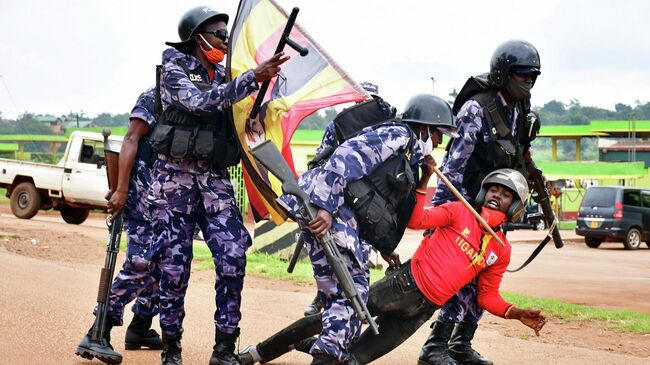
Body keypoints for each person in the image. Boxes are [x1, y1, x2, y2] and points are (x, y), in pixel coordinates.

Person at [240, 167, 546, 365]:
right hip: (403, 285)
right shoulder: (458, 211)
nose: (496, 196)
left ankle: (310, 346)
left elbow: (486, 297)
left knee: (353, 360)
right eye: (494, 189)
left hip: (422, 311)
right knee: (326, 319)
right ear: (484, 191)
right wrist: (425, 179)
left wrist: (517, 313)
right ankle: (257, 353)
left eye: (506, 195)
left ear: (516, 207)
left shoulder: (500, 250)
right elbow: (417, 220)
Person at [239, 94, 459, 365]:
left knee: (345, 297)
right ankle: (325, 359)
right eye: (438, 135)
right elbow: (346, 156)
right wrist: (326, 207)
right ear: (424, 127)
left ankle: (319, 355)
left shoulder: (408, 154)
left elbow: (374, 202)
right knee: (351, 297)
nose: (438, 142)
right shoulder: (399, 134)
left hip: (338, 214)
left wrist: (384, 249)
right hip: (329, 209)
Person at [147, 5, 288, 365]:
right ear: (198, 38)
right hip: (172, 188)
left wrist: (261, 103)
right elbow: (198, 103)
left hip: (215, 186)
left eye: (228, 35)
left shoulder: (228, 74)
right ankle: (171, 349)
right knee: (174, 271)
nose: (226, 42)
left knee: (233, 258)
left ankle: (224, 348)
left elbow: (244, 117)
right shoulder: (174, 68)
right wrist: (251, 78)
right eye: (220, 35)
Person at [423, 39, 542, 365]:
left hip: (498, 210)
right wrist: (441, 220)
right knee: (463, 279)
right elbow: (453, 167)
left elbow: (517, 149)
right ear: (505, 73)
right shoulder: (477, 109)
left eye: (533, 75)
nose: (528, 80)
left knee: (485, 278)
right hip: (468, 207)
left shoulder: (519, 107)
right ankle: (435, 347)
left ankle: (461, 344)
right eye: (522, 74)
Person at [75, 88, 161, 365]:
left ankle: (140, 327)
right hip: (143, 195)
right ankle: (98, 330)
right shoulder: (155, 96)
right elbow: (130, 139)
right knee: (142, 263)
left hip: (170, 197)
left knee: (165, 262)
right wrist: (121, 190)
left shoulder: (191, 95)